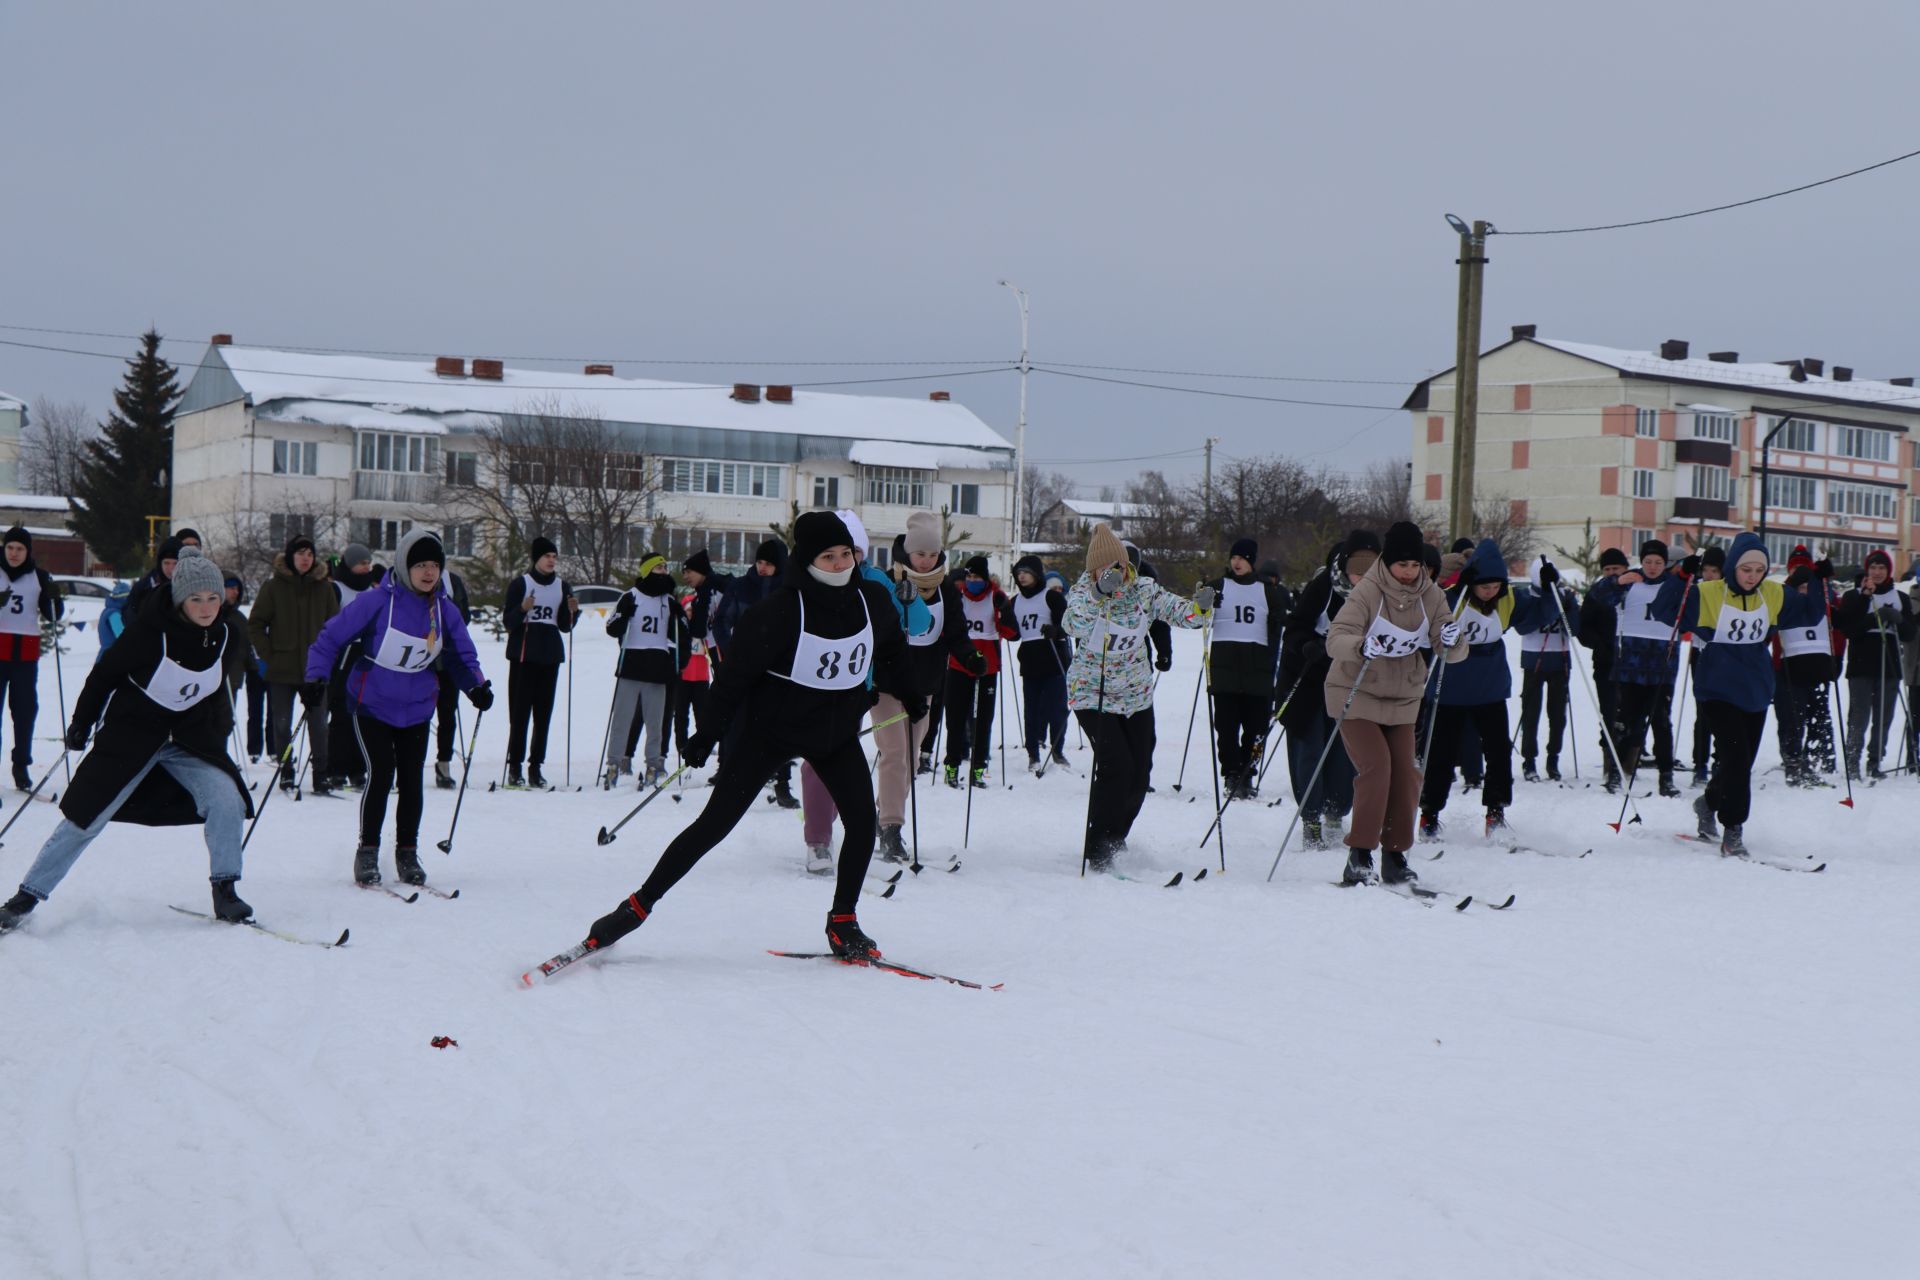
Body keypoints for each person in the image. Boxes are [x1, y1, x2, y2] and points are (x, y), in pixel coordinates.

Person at [578, 511, 921, 962]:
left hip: (834, 734)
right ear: (809, 560)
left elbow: (893, 649)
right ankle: (636, 907)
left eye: (845, 555)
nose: (840, 565)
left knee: (860, 824)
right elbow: (734, 678)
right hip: (770, 733)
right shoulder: (779, 610)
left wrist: (912, 691)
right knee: (713, 826)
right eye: (828, 557)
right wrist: (707, 734)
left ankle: (843, 921)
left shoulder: (871, 599)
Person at [0, 548, 253, 934]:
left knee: (226, 798)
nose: (206, 608)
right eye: (196, 599)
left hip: (188, 738)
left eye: (214, 598)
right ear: (180, 599)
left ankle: (226, 889)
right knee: (86, 815)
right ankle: (26, 897)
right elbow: (104, 676)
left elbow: (215, 690)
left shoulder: (226, 635)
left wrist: (219, 729)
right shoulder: (149, 633)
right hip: (132, 734)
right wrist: (81, 723)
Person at [304, 530, 491, 887]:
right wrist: (315, 677)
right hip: (371, 701)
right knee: (381, 773)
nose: (428, 572)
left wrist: (476, 686)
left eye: (434, 565)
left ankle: (407, 852)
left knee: (411, 780)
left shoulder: (443, 608)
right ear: (406, 566)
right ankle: (368, 852)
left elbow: (462, 655)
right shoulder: (377, 601)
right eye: (420, 564)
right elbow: (330, 637)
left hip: (417, 706)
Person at [1660, 535, 1824, 855]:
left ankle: (1707, 804)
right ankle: (1733, 830)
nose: (1752, 576)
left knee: (1740, 765)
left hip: (1756, 689)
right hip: (1717, 688)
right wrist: (1681, 577)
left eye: (1759, 570)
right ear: (1733, 566)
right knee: (1735, 759)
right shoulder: (1709, 593)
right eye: (1746, 569)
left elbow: (1811, 613)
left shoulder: (1774, 593)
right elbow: (1668, 612)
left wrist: (1818, 579)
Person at [1063, 523, 1210, 872]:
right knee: (1116, 766)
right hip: (1092, 693)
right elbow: (1073, 624)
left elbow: (1178, 612)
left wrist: (1200, 608)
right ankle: (1098, 847)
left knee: (1140, 772)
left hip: (1136, 695)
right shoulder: (1084, 592)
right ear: (1093, 570)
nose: (1113, 573)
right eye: (1103, 568)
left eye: (1118, 566)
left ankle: (1116, 835)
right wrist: (1098, 594)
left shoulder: (1143, 589)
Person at [1326, 521, 1453, 886]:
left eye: (1416, 565)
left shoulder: (1431, 594)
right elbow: (1336, 638)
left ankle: (1395, 856)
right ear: (1388, 562)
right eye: (1403, 565)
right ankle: (1359, 855)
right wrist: (1360, 645)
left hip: (1402, 697)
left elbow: (1451, 648)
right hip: (1357, 691)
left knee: (1407, 773)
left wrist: (1451, 638)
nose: (1410, 572)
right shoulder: (1367, 590)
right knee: (1377, 767)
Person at [1419, 539, 1549, 838]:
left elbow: (1536, 618)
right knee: (1441, 755)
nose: (1490, 592)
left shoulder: (1508, 599)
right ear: (1472, 583)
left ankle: (1495, 810)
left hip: (1490, 689)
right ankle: (1429, 813)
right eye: (1484, 586)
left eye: (1495, 586)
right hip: (1450, 688)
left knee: (1498, 751)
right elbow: (1425, 616)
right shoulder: (1454, 597)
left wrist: (1546, 589)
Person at [882, 514, 985, 862]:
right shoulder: (887, 581)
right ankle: (892, 828)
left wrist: (970, 658)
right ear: (907, 553)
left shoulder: (945, 590)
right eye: (919, 553)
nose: (925, 559)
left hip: (924, 687)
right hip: (887, 686)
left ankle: (881, 814)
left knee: (909, 759)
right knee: (895, 753)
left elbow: (955, 632)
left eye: (931, 553)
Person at [1278, 532, 1377, 849]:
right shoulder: (1323, 587)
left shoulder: (1382, 594)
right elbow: (1294, 629)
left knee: (1344, 751)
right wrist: (1305, 646)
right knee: (1309, 749)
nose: (1361, 579)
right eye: (1357, 572)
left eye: (1369, 572)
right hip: (1309, 679)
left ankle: (1336, 812)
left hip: (1350, 680)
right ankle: (1311, 819)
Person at [1589, 539, 1686, 797]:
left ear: (1666, 564)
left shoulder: (1675, 585)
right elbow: (1598, 596)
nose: (1653, 567)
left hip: (1663, 662)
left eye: (1658, 562)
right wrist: (1618, 581)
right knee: (1625, 721)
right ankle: (1616, 773)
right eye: (1648, 562)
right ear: (1641, 562)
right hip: (1632, 661)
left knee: (1661, 721)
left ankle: (1666, 777)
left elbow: (1695, 601)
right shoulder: (1630, 581)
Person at [246, 533, 340, 794]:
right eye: (300, 553)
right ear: (290, 556)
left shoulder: (324, 588)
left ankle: (321, 774)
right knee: (281, 723)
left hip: (315, 670)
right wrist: (270, 654)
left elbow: (335, 627)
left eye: (309, 554)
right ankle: (286, 771)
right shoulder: (273, 587)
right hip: (282, 669)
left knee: (319, 724)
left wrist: (326, 659)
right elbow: (255, 624)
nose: (305, 559)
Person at [714, 539, 799, 806]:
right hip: (744, 669)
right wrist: (733, 653)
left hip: (778, 673)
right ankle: (729, 781)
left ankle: (782, 783)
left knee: (780, 727)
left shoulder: (790, 591)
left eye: (769, 564)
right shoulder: (740, 587)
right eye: (760, 562)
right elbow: (721, 622)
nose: (762, 568)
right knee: (736, 724)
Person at [1203, 537, 1287, 799]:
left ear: (1251, 561)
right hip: (1225, 668)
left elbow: (1280, 624)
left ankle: (1247, 774)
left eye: (1242, 558)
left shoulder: (1267, 591)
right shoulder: (1218, 586)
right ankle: (1231, 773)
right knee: (1226, 727)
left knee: (1256, 728)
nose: (1236, 562)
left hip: (1257, 671)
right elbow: (1197, 616)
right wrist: (1202, 603)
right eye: (1234, 557)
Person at [604, 554, 689, 789]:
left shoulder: (669, 601)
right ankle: (613, 762)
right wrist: (624, 616)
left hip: (658, 666)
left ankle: (653, 763)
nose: (663, 571)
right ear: (647, 570)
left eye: (664, 567)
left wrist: (682, 660)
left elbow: (683, 632)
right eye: (658, 567)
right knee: (622, 718)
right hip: (631, 664)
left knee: (656, 721)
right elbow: (612, 628)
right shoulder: (630, 597)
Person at [501, 536, 578, 789]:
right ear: (536, 559)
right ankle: (515, 767)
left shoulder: (562, 586)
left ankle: (536, 767)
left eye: (555, 557)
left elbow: (565, 627)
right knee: (520, 714)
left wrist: (572, 612)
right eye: (547, 556)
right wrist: (522, 609)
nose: (552, 561)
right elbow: (508, 623)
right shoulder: (521, 584)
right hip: (523, 657)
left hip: (549, 656)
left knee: (543, 716)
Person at [1835, 548, 1913, 782]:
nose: (1877, 572)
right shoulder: (1855, 596)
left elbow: (1909, 634)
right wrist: (1874, 614)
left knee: (1883, 717)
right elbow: (1848, 628)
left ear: (1888, 571)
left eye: (1882, 568)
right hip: (1861, 662)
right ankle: (1852, 760)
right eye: (1873, 568)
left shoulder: (1900, 598)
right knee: (1859, 715)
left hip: (1888, 663)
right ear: (1867, 570)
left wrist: (1898, 619)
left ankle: (1875, 761)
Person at [0, 527, 65, 790]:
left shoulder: (39, 576)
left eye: (20, 549)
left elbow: (52, 616)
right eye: (10, 548)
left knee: (25, 711)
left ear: (28, 551)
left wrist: (54, 598)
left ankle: (21, 764)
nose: (15, 553)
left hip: (25, 655)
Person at [942, 555, 1015, 788]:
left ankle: (979, 769)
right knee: (955, 718)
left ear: (985, 578)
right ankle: (952, 766)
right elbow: (946, 631)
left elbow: (1013, 633)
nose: (972, 581)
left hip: (987, 667)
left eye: (976, 577)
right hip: (959, 665)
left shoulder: (996, 597)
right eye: (969, 576)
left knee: (983, 720)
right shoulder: (957, 597)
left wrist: (1005, 612)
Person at [1000, 552, 1072, 774]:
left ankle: (1057, 750)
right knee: (1031, 711)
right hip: (1030, 661)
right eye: (1018, 573)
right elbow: (1014, 633)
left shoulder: (1051, 597)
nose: (1021, 577)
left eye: (1026, 573)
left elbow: (1068, 626)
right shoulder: (1015, 601)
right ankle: (1033, 753)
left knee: (1056, 709)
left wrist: (1055, 631)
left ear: (1036, 575)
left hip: (1053, 659)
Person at [324, 543, 385, 790]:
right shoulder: (336, 589)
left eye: (368, 564)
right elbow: (329, 623)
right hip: (342, 656)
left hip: (366, 656)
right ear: (350, 565)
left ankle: (358, 768)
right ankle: (336, 767)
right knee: (340, 713)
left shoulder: (372, 590)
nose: (366, 568)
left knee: (363, 714)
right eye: (362, 563)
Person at [1516, 555, 1581, 783]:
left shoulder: (1564, 595)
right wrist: (1546, 600)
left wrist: (1569, 608)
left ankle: (1553, 759)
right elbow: (1523, 627)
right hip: (1534, 661)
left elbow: (1574, 629)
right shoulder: (1526, 596)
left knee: (1557, 715)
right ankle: (1529, 760)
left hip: (1560, 660)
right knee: (1530, 713)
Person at [1577, 546, 1632, 789]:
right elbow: (1583, 627)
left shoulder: (1635, 590)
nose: (1611, 573)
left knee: (1631, 713)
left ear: (1625, 569)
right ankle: (1611, 765)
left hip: (1634, 662)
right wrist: (1600, 645)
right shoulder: (1596, 594)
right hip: (1606, 661)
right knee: (1609, 712)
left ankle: (1630, 761)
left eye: (1616, 569)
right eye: (1607, 569)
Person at [1680, 547, 1725, 787]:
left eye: (1714, 571)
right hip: (1700, 653)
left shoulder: (1728, 591)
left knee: (1723, 710)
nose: (1709, 575)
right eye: (1705, 570)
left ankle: (1720, 759)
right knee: (1702, 712)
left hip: (1724, 655)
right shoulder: (1696, 588)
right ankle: (1700, 764)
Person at [431, 565, 473, 789]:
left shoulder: (452, 580)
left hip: (448, 657)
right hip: (421, 658)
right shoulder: (411, 579)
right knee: (414, 714)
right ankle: (404, 764)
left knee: (448, 712)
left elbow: (464, 616)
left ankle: (444, 763)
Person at [224, 574, 268, 763]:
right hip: (216, 675)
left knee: (225, 720)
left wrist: (254, 668)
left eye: (237, 589)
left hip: (233, 677)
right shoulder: (212, 613)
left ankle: (222, 757)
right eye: (230, 587)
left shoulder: (239, 618)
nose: (235, 592)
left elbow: (247, 647)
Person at [122, 528, 202, 623]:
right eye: (166, 563)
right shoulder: (145, 586)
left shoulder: (197, 583)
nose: (171, 568)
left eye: (175, 563)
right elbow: (129, 615)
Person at [672, 590, 711, 760]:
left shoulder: (704, 630)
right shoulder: (680, 631)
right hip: (682, 677)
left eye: (693, 611)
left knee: (702, 714)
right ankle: (681, 745)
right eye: (688, 611)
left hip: (701, 678)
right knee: (680, 714)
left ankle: (702, 745)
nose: (691, 614)